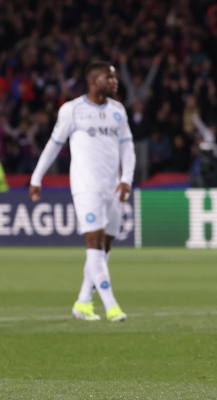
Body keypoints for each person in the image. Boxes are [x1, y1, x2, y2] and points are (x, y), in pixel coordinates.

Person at [29, 61, 134, 322]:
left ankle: (83, 302)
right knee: (94, 243)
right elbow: (54, 145)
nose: (114, 82)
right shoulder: (72, 110)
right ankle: (112, 306)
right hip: (85, 187)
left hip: (113, 188)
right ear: (94, 80)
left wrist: (127, 179)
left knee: (105, 246)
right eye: (109, 78)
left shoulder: (118, 111)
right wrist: (36, 177)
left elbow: (127, 148)